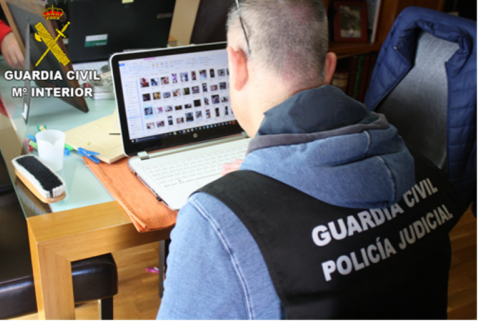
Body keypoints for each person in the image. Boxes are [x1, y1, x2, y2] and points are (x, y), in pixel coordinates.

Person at [157, 0, 464, 319]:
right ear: (329, 67)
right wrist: (256, 184)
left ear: (237, 64)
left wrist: (236, 203)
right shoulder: (424, 167)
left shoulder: (213, 221)